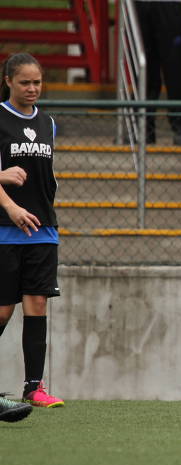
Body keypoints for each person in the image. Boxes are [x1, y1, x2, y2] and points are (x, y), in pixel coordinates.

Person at [0, 53, 64, 408]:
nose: (32, 89)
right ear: (8, 80)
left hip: (41, 228)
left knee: (37, 304)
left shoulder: (48, 123)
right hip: (4, 229)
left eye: (37, 82)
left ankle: (33, 387)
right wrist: (9, 202)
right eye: (25, 82)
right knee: (3, 311)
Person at [135, 0, 181, 145]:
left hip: (172, 4)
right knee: (145, 70)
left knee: (175, 68)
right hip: (141, 4)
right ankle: (143, 128)